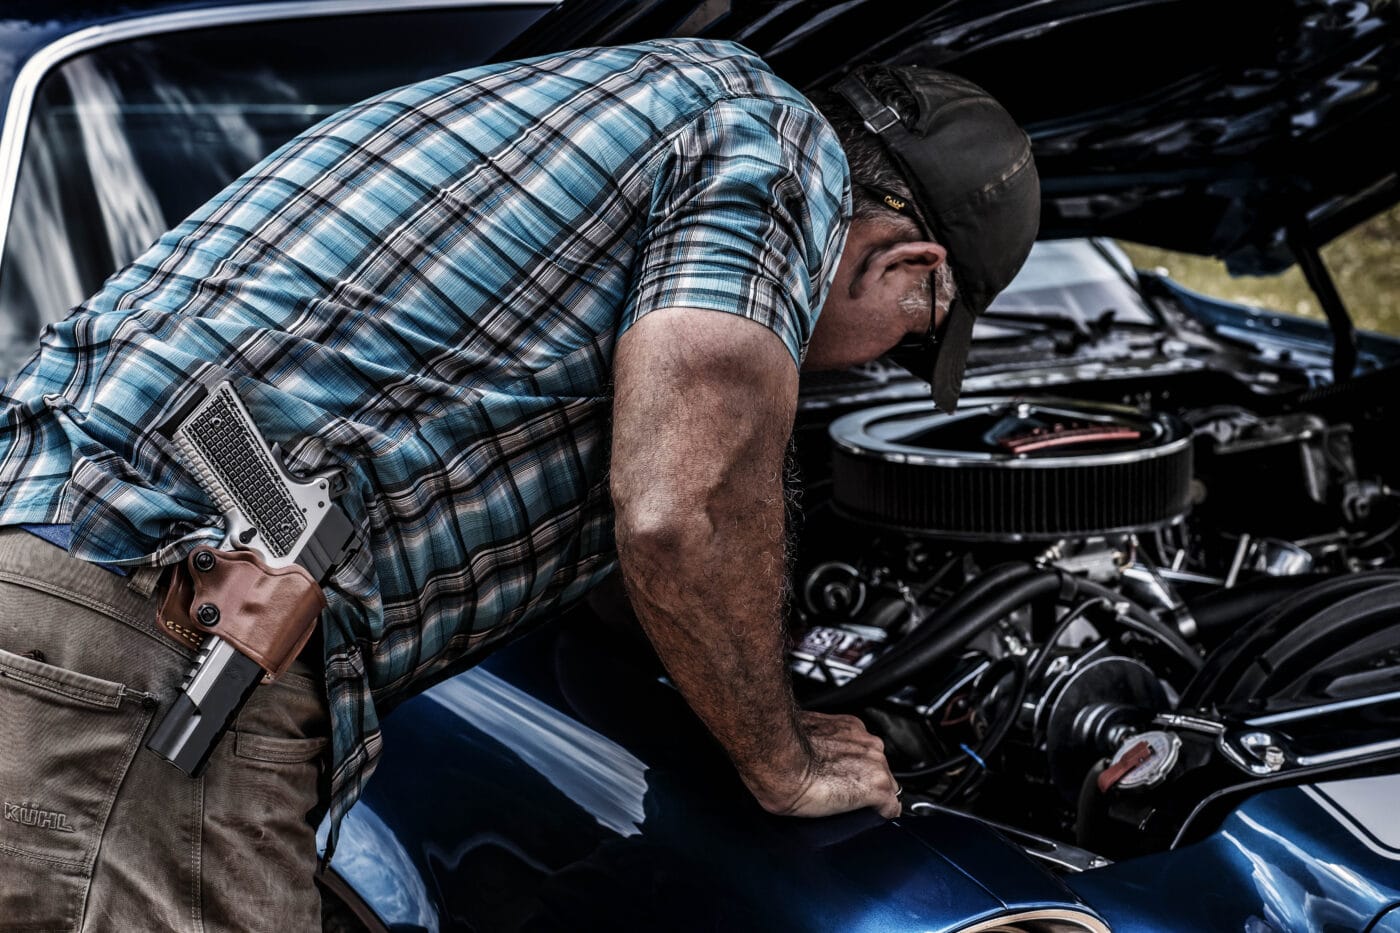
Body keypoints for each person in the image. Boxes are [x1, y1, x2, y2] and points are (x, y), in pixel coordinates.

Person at [0, 38, 1037, 930]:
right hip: (149, 637)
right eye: (912, 339)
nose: (871, 367)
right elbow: (686, 510)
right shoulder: (775, 148)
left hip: (85, 594)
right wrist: (788, 759)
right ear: (910, 263)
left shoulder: (636, 101)